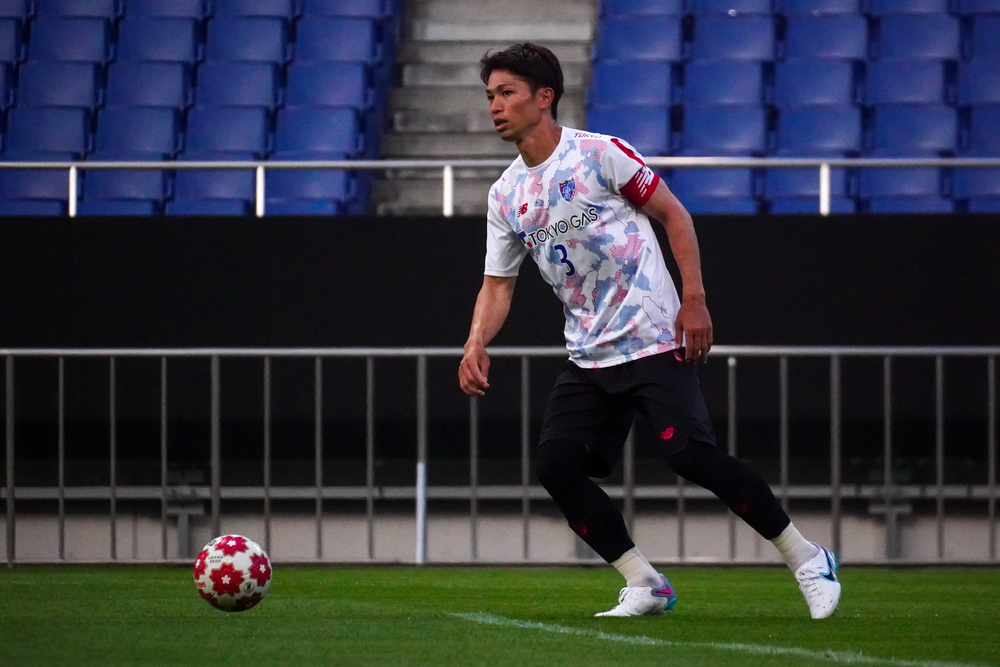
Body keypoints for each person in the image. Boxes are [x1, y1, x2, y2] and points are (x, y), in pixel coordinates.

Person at [457, 43, 841, 619]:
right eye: (490, 95)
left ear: (544, 97)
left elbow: (673, 214)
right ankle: (645, 582)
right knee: (556, 465)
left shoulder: (599, 154)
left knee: (690, 456)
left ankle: (808, 558)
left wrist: (695, 300)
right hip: (589, 355)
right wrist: (475, 342)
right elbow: (497, 285)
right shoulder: (505, 194)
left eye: (506, 92)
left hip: (654, 338)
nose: (495, 105)